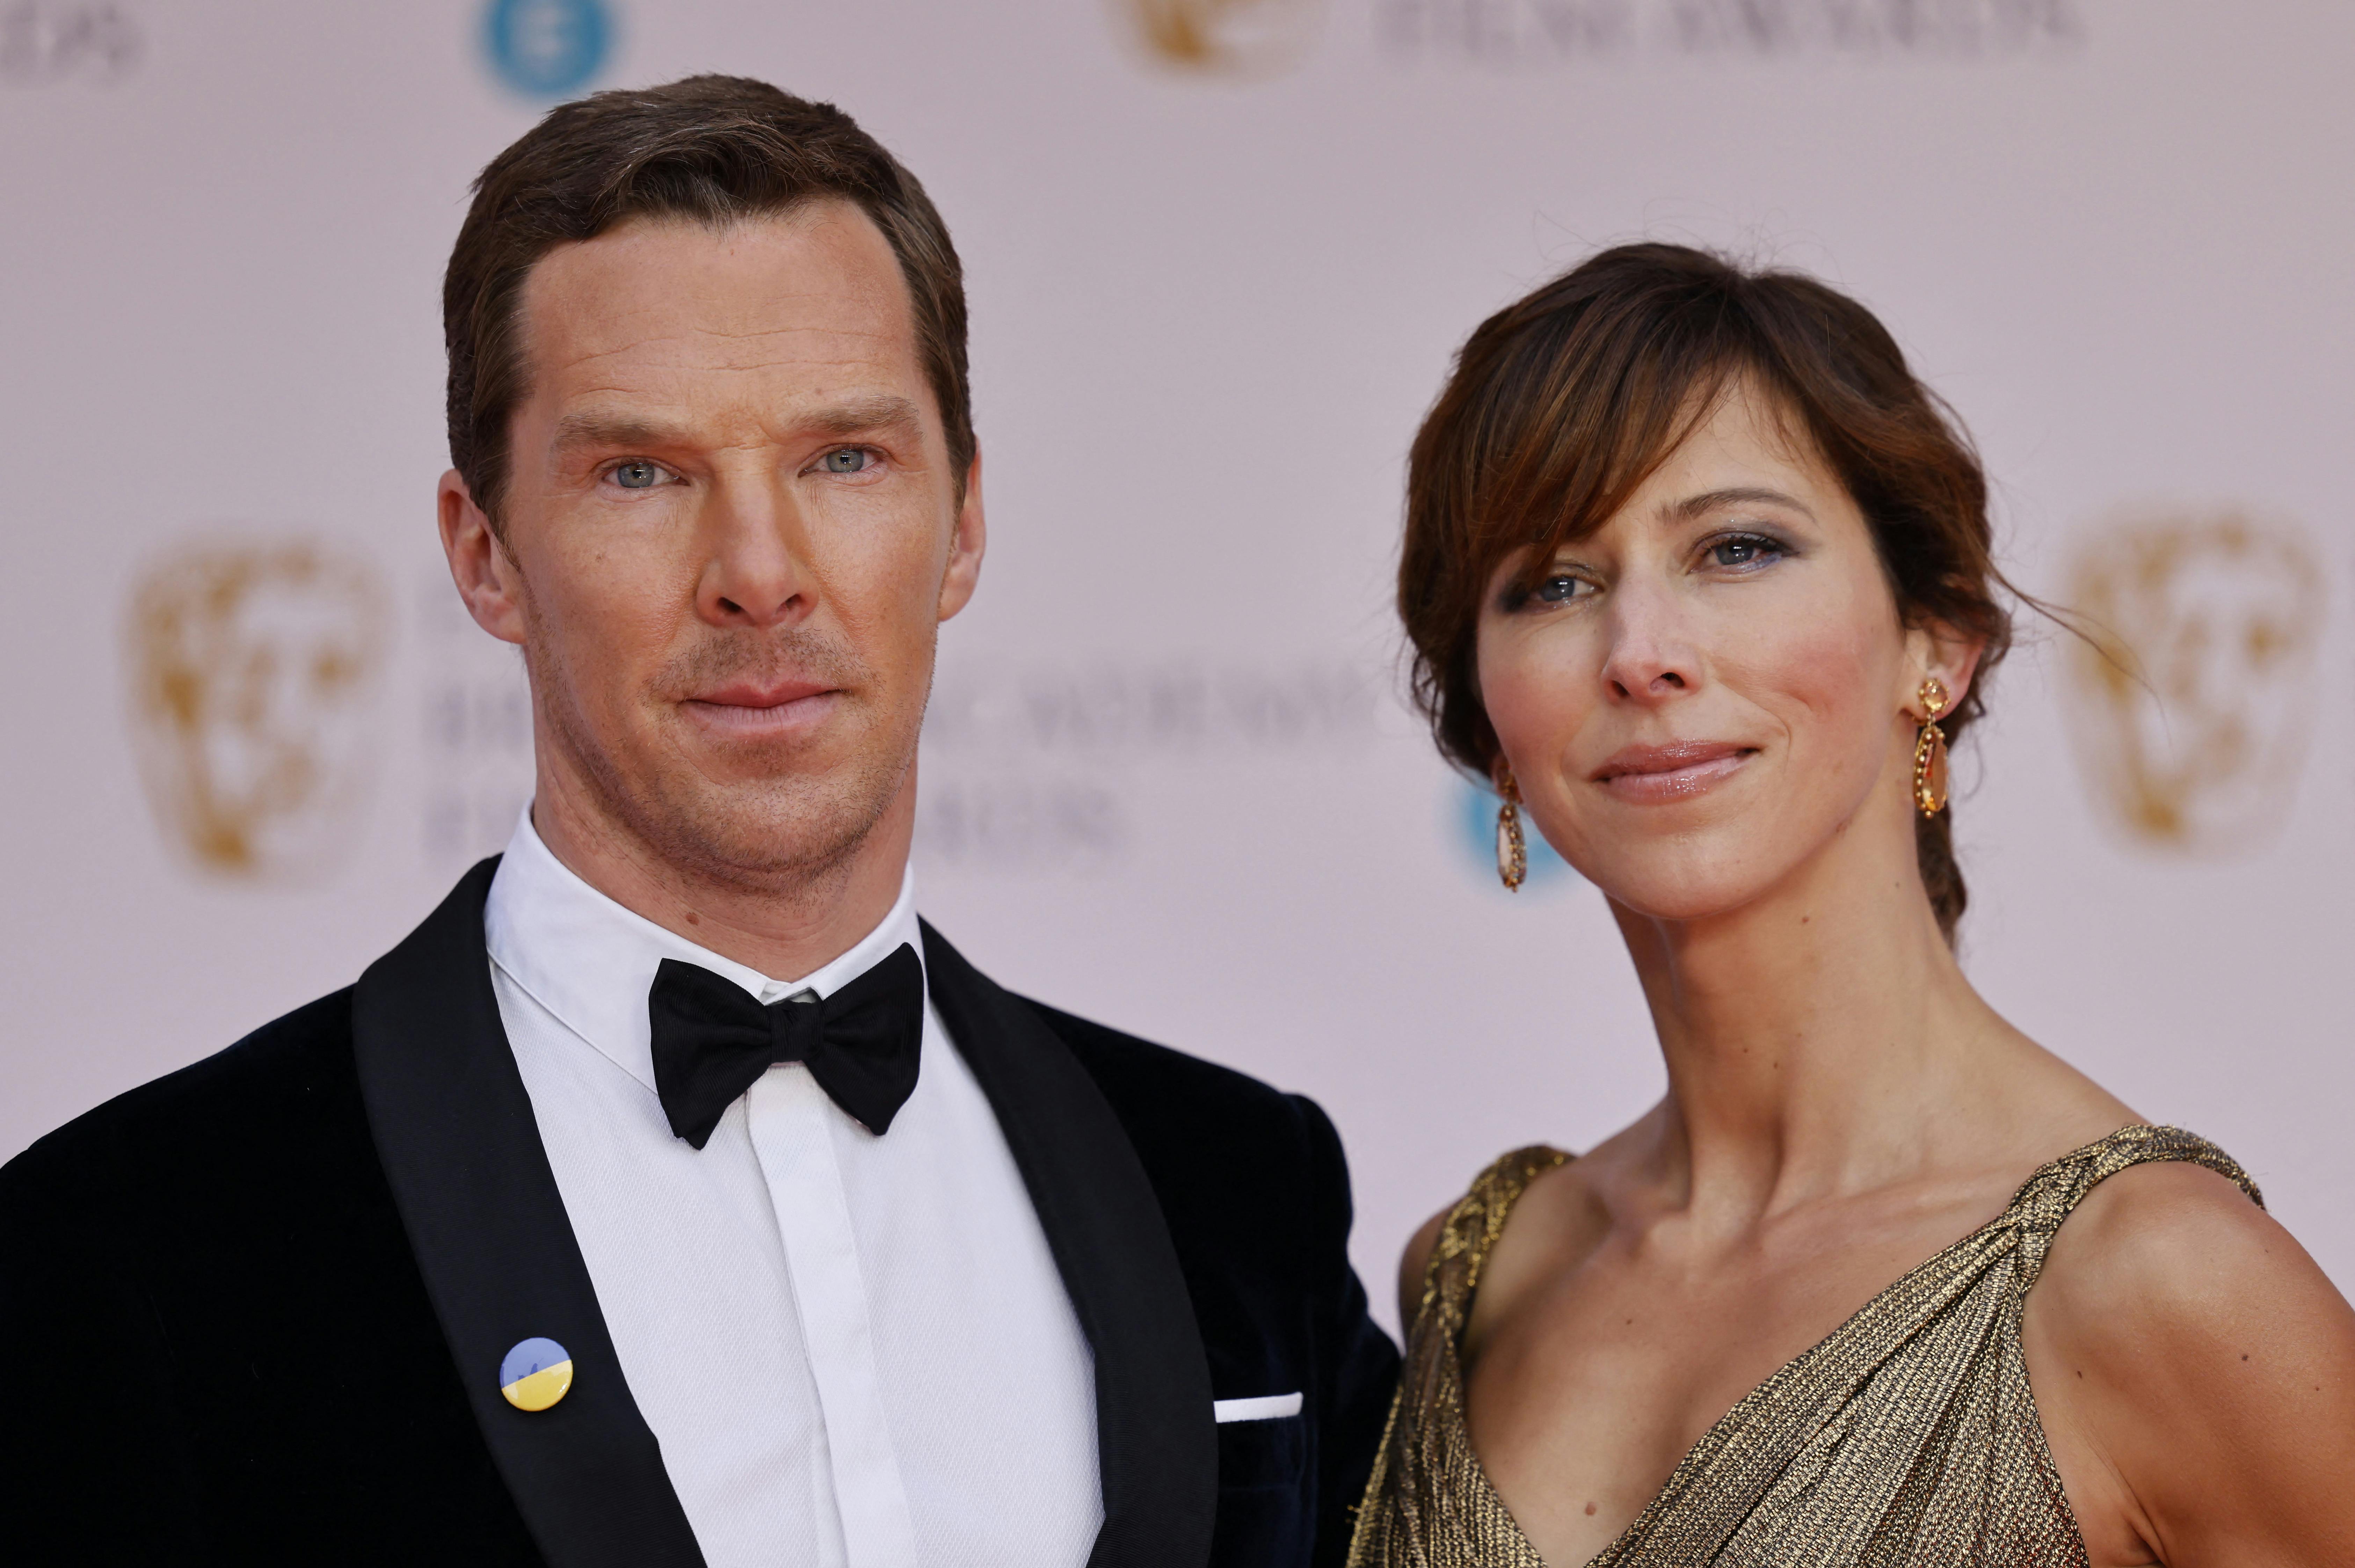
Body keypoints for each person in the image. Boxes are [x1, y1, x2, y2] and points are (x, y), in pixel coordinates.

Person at [0, 77, 1396, 1568]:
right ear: (485, 557)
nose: (759, 572)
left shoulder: (1239, 1192)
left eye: (842, 459)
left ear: (965, 521)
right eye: (643, 474)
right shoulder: (127, 1255)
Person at [1350, 244, 2355, 1566]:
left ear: (1936, 642)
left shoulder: (2162, 1281)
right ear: (1489, 722)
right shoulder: (1477, 1278)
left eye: (1738, 547)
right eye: (1554, 583)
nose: (1642, 652)